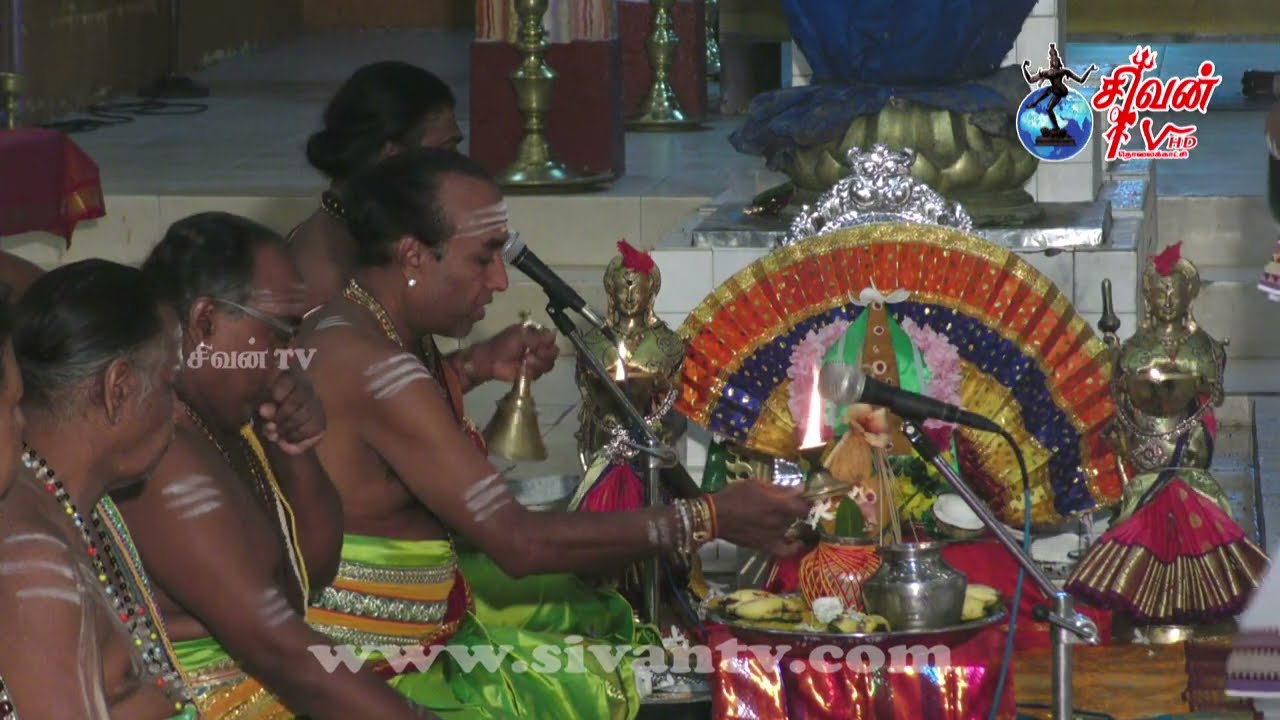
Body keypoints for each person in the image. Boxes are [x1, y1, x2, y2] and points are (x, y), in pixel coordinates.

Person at [295, 147, 812, 719]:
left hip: (427, 616)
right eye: (483, 257)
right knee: (595, 674)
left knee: (588, 609)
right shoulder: (377, 366)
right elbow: (518, 543)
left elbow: (382, 440)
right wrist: (706, 518)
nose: (499, 280)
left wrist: (470, 366)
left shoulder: (371, 326)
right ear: (413, 254)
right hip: (373, 668)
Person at [112, 212, 437, 719]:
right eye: (281, 333)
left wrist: (295, 451)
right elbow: (281, 648)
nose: (292, 355)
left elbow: (314, 571)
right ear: (205, 322)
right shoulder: (164, 455)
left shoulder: (228, 426)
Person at [0, 260, 198, 719]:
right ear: (118, 388)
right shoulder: (33, 558)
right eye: (169, 385)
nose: (22, 423)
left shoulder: (70, 509)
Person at [290, 61, 463, 312]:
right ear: (392, 158)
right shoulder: (329, 275)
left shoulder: (370, 233)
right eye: (447, 151)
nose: (458, 166)